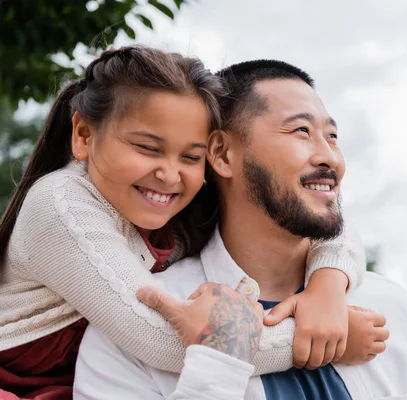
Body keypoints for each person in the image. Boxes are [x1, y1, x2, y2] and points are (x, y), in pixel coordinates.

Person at [0, 48, 375, 400]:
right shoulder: (62, 203)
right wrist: (324, 341)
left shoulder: (181, 196)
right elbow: (157, 337)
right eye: (147, 148)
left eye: (191, 156)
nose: (169, 174)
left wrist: (327, 287)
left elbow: (324, 218)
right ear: (83, 135)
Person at [73, 60, 407, 399]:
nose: (329, 157)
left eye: (332, 136)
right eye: (301, 131)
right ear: (221, 155)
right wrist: (220, 359)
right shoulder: (133, 331)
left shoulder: (390, 309)